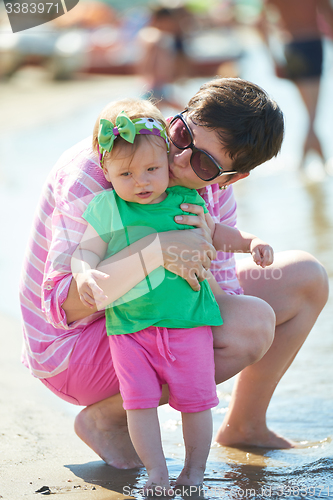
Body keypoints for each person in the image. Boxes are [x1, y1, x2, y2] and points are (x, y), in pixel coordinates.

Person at [19, 78, 328, 471]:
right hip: (70, 347)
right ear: (178, 114)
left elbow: (218, 298)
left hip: (144, 307)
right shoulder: (105, 167)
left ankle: (245, 424)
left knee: (306, 277)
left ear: (231, 178)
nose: (180, 159)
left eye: (204, 163)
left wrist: (200, 250)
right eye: (181, 135)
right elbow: (64, 307)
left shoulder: (213, 191)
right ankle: (107, 417)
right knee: (250, 325)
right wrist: (159, 250)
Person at [71, 99, 274, 492]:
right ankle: (158, 473)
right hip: (129, 329)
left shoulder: (187, 201)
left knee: (196, 403)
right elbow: (85, 252)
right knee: (139, 406)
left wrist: (252, 243)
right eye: (126, 173)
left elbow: (219, 234)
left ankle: (194, 471)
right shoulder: (108, 207)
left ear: (166, 161)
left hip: (188, 325)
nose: (142, 182)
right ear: (107, 173)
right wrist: (82, 275)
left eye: (151, 169)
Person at [262, 0, 333, 169]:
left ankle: (308, 162)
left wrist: (272, 57)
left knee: (310, 113)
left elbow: (261, 23)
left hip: (290, 45)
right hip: (312, 44)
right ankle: (312, 161)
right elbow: (329, 16)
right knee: (312, 114)